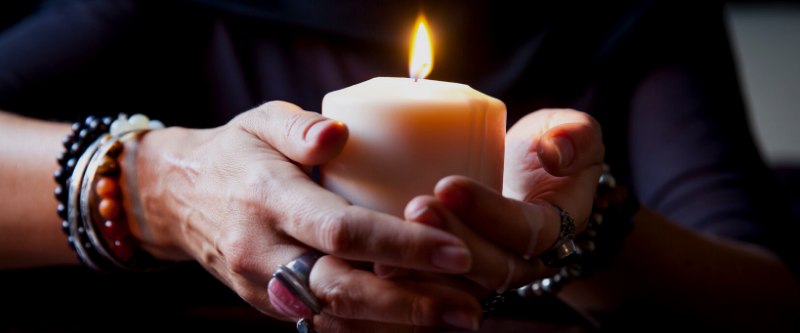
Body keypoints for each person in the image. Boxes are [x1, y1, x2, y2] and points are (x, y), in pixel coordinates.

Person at [0, 0, 798, 332]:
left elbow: (765, 294)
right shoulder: (166, 10)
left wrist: (579, 232)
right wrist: (150, 187)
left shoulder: (620, 19)